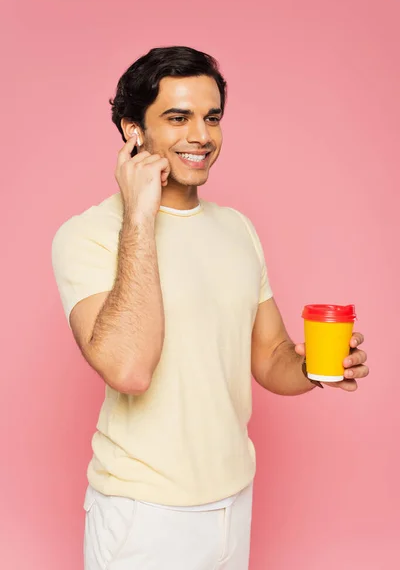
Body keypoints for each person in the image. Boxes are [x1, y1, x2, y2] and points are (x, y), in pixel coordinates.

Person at [51, 46, 369, 570]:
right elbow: (129, 368)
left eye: (211, 117)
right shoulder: (88, 236)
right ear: (134, 131)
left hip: (233, 501)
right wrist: (140, 216)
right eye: (178, 118)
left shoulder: (237, 229)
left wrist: (318, 367)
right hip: (145, 515)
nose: (201, 134)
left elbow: (269, 357)